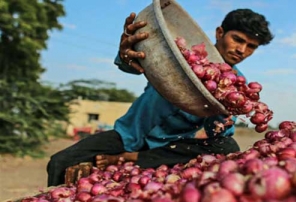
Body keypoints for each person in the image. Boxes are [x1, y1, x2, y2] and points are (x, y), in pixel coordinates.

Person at [46, 8, 274, 187]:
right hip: (130, 135)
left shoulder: (239, 89)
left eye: (250, 46)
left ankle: (132, 158)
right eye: (237, 39)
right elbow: (139, 62)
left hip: (172, 147)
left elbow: (218, 136)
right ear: (220, 33)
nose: (241, 50)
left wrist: (222, 114)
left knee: (227, 147)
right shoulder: (184, 58)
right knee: (60, 162)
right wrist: (127, 54)